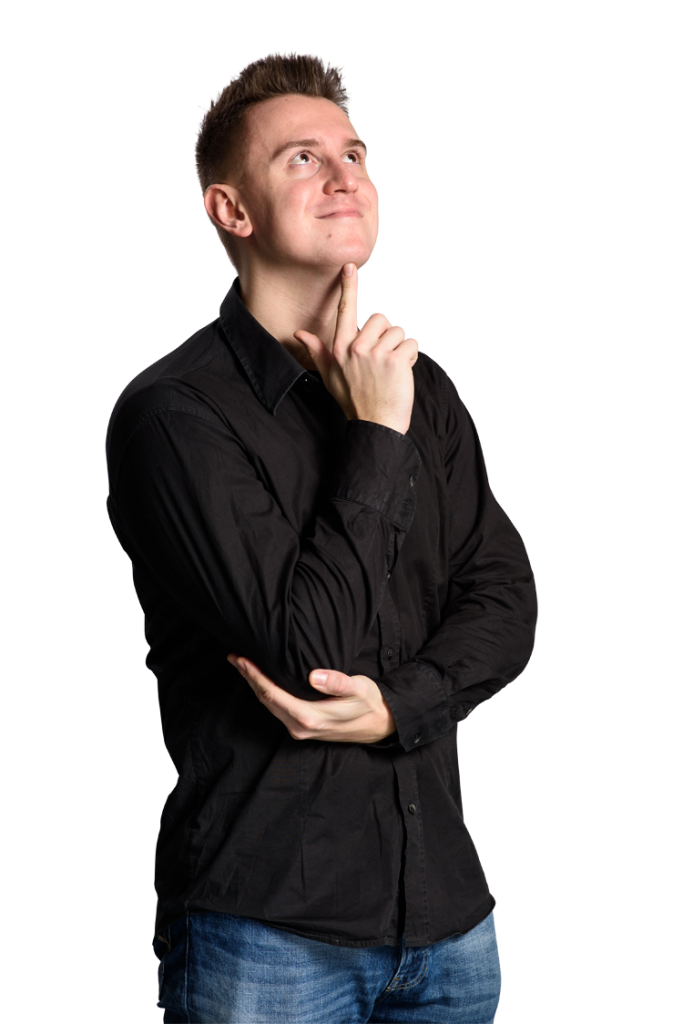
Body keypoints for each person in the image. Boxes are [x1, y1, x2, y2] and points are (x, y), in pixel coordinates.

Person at [104, 50, 537, 1023]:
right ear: (231, 209)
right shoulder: (173, 414)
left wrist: (396, 709)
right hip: (268, 934)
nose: (345, 176)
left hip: (450, 925)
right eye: (302, 158)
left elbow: (506, 601)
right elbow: (308, 651)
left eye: (354, 154)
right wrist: (374, 434)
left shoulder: (422, 384)